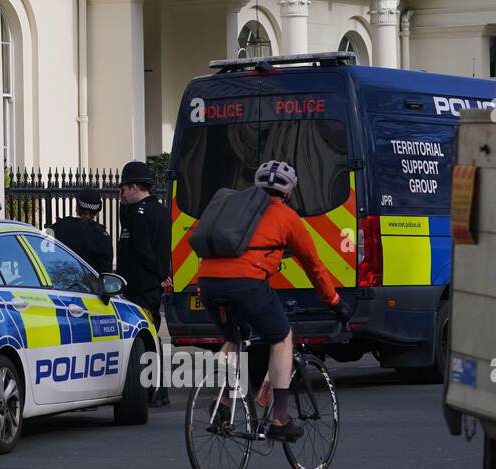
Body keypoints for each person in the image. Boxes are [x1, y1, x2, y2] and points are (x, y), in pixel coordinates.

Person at [196, 160, 351, 441]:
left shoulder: (235, 208)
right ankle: (280, 418)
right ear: (289, 193)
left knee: (234, 337)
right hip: (247, 285)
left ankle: (223, 402)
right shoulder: (287, 216)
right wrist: (335, 301)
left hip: (207, 283)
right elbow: (313, 266)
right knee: (281, 337)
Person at [116, 161, 172, 408]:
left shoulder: (139, 215)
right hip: (152, 286)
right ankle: (158, 388)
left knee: (143, 338)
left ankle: (155, 388)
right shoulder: (159, 211)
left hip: (140, 285)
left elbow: (143, 251)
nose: (122, 193)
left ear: (135, 187)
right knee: (151, 335)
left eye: (124, 189)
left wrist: (160, 273)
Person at [48, 187, 113, 275]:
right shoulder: (102, 235)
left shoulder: (57, 228)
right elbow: (106, 271)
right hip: (89, 285)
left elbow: (45, 257)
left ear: (77, 206)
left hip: (58, 282)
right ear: (98, 210)